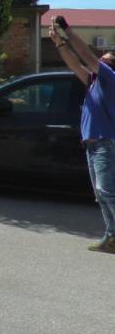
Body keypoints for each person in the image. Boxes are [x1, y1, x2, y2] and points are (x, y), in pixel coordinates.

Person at [50, 16, 115, 253]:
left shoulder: (111, 80)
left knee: (108, 192)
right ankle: (112, 237)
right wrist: (59, 43)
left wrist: (67, 30)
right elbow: (75, 65)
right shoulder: (94, 82)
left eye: (105, 62)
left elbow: (85, 56)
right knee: (101, 194)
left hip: (106, 143)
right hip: (94, 145)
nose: (99, 63)